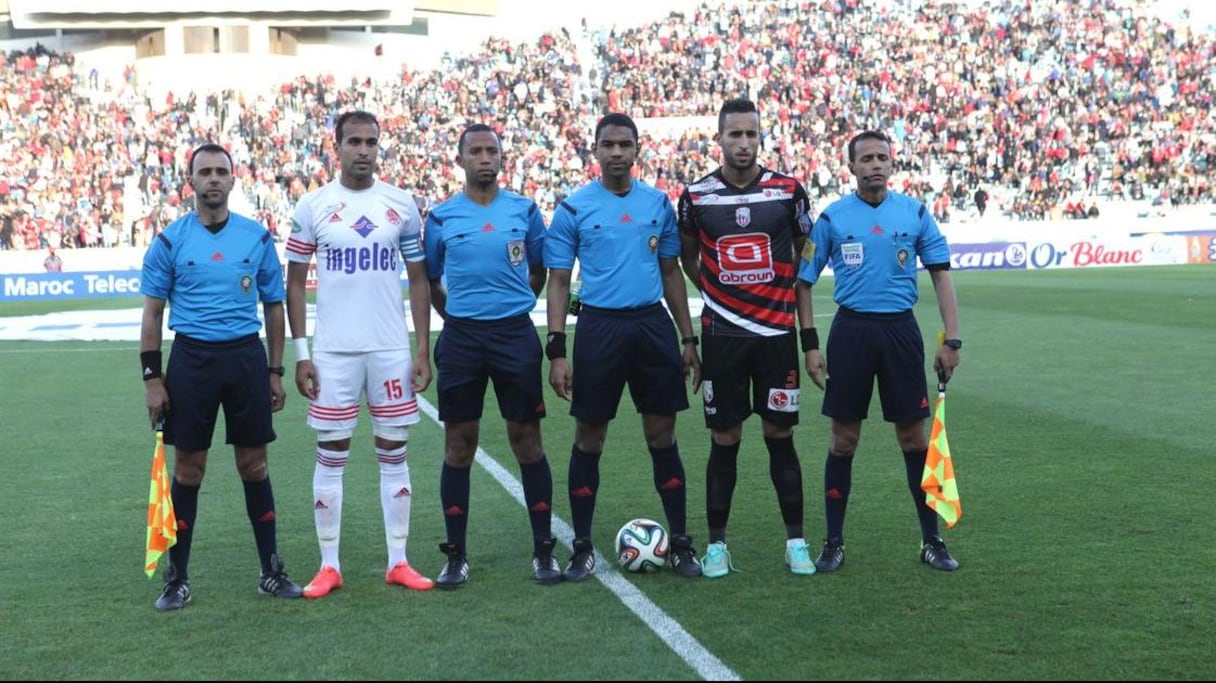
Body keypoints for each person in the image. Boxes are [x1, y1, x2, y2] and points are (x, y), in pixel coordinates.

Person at [139, 142, 302, 611]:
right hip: (191, 362)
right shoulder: (170, 240)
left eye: (221, 171)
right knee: (188, 469)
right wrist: (153, 378)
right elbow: (152, 315)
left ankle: (271, 570)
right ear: (190, 181)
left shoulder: (256, 238)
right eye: (204, 172)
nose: (213, 179)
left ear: (234, 180)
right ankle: (177, 578)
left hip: (246, 360)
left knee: (255, 465)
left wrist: (275, 370)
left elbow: (274, 306)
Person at [544, 112, 703, 581]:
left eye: (624, 145)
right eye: (608, 145)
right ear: (595, 151)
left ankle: (680, 543)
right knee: (589, 437)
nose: (616, 153)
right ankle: (583, 546)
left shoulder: (657, 204)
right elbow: (557, 282)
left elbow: (672, 273)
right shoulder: (573, 209)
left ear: (637, 151)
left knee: (662, 436)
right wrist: (557, 349)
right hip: (599, 329)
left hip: (651, 327)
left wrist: (687, 338)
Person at [796, 130, 962, 573]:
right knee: (843, 440)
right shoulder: (832, 218)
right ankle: (833, 542)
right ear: (851, 167)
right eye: (865, 158)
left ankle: (932, 541)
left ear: (892, 163)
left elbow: (941, 275)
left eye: (881, 157)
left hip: (900, 333)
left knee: (914, 439)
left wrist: (952, 339)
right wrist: (810, 346)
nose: (874, 165)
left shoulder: (915, 212)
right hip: (851, 333)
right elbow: (804, 282)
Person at [284, 110, 435, 598]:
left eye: (371, 141)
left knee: (394, 452)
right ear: (338, 146)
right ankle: (329, 565)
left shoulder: (402, 204)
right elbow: (293, 283)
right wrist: (303, 353)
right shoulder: (313, 206)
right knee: (331, 455)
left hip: (390, 349)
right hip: (333, 352)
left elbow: (418, 279)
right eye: (354, 141)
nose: (364, 150)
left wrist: (421, 349)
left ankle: (399, 560)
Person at [677, 98, 816, 578]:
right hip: (722, 335)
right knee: (725, 437)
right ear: (718, 139)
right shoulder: (696, 197)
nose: (742, 143)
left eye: (750, 134)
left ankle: (796, 542)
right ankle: (717, 546)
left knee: (780, 435)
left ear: (761, 138)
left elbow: (806, 251)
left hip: (777, 335)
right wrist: (718, 294)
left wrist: (779, 296)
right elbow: (688, 258)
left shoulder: (787, 192)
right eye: (733, 134)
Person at [423, 123, 559, 588]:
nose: (484, 158)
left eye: (492, 151)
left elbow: (542, 270)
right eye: (475, 151)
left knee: (527, 441)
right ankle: (456, 554)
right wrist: (457, 315)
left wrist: (515, 305)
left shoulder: (524, 210)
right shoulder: (441, 218)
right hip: (461, 339)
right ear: (460, 160)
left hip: (514, 336)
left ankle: (544, 549)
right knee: (459, 444)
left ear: (503, 159)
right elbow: (431, 278)